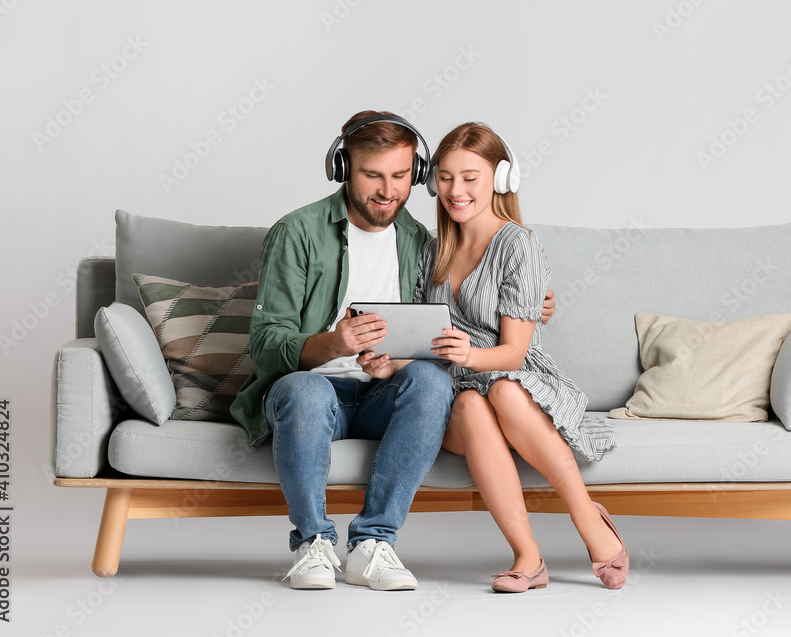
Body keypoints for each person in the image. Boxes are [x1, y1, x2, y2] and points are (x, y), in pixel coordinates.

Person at [230, 111, 555, 591]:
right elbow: (264, 342)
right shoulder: (296, 233)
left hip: (384, 393)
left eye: (401, 176)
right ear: (343, 169)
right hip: (314, 391)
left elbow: (460, 316)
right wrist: (333, 343)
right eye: (372, 175)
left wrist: (535, 302)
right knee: (302, 390)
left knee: (430, 380)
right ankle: (313, 544)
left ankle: (373, 544)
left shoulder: (421, 242)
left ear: (418, 175)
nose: (388, 190)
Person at [407, 122, 627, 592]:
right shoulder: (433, 250)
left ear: (500, 179)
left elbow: (514, 353)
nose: (455, 189)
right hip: (454, 391)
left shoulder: (518, 245)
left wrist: (468, 353)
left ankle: (587, 519)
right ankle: (529, 556)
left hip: (513, 380)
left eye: (470, 177)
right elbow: (418, 335)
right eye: (444, 177)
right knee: (467, 403)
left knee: (503, 391)